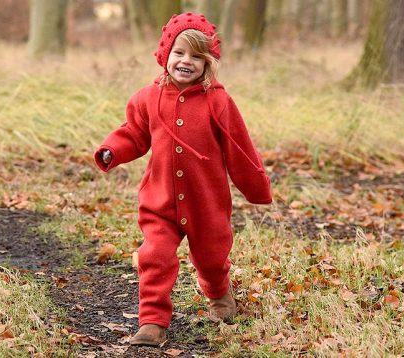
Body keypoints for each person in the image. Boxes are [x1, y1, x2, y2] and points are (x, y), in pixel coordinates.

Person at [93, 12, 272, 347]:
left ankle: (220, 298)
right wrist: (111, 151)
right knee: (154, 256)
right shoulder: (148, 97)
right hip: (160, 200)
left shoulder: (218, 101)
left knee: (212, 257)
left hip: (207, 201)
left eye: (196, 56)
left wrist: (256, 186)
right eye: (179, 53)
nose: (185, 61)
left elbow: (239, 147)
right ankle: (152, 322)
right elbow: (133, 134)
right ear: (166, 55)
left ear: (208, 63)